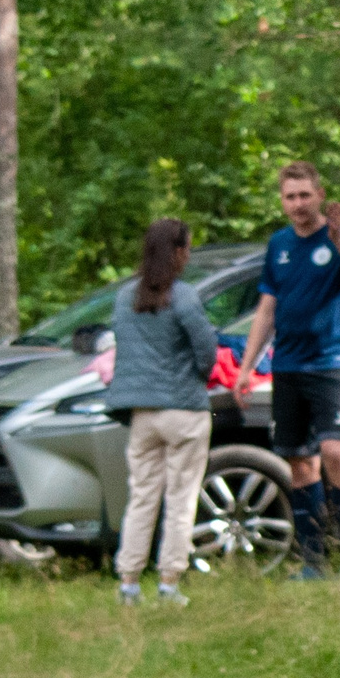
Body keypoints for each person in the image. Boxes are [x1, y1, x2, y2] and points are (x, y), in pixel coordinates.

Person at [232, 161, 340, 576]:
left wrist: (339, 238)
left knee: (335, 451)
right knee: (299, 462)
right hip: (287, 365)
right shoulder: (279, 245)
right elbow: (266, 307)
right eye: (290, 197)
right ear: (282, 201)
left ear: (320, 195)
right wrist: (246, 365)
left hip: (331, 365)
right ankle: (313, 559)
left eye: (305, 195)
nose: (298, 204)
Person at [107, 218, 221, 607]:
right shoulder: (184, 296)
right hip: (184, 409)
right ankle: (169, 582)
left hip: (142, 413)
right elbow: (206, 349)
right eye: (187, 248)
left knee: (141, 497)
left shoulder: (125, 298)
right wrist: (201, 374)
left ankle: (129, 582)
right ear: (177, 252)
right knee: (180, 498)